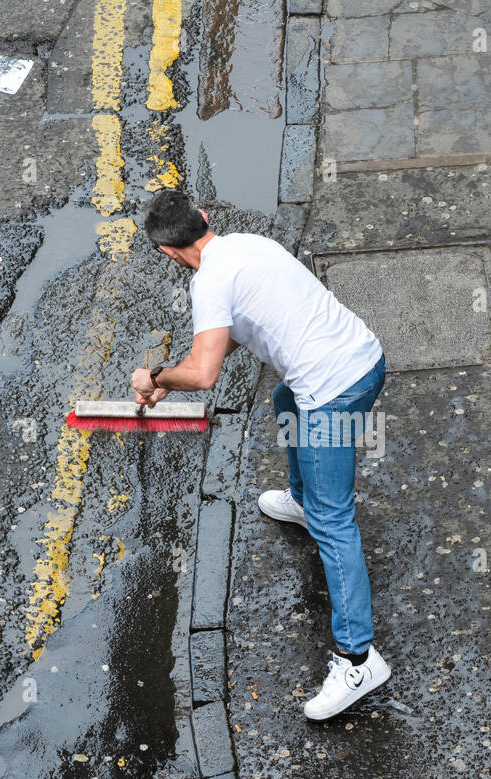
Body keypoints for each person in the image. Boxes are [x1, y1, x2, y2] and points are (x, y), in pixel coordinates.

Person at [133, 190, 389, 719]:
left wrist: (155, 376)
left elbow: (204, 373)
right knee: (282, 396)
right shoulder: (245, 245)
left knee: (335, 523)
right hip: (366, 358)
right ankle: (302, 499)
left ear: (166, 252)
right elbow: (224, 339)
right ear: (204, 219)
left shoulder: (207, 283)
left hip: (332, 392)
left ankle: (359, 660)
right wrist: (171, 381)